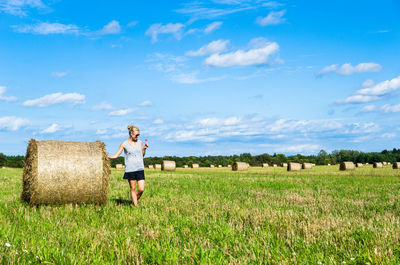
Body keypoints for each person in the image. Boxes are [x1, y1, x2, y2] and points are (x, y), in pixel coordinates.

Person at [108, 125, 149, 206]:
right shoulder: (124, 144)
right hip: (130, 169)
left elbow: (142, 155)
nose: (137, 136)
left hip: (140, 168)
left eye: (138, 135)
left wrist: (144, 148)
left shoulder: (140, 142)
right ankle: (135, 206)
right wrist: (107, 156)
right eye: (136, 135)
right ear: (131, 133)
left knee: (141, 189)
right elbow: (116, 155)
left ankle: (133, 201)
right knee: (133, 189)